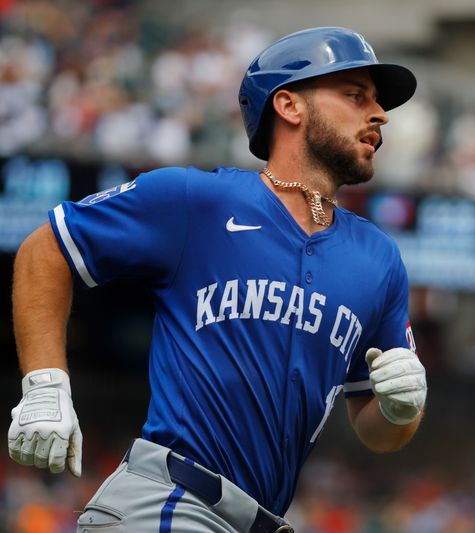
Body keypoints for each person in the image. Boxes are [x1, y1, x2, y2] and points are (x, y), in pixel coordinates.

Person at [7, 26, 427, 533]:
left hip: (262, 521)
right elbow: (47, 247)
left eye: (377, 102)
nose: (379, 114)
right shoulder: (196, 200)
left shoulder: (379, 258)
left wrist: (402, 411)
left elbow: (378, 432)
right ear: (289, 106)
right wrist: (45, 384)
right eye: (355, 95)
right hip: (169, 504)